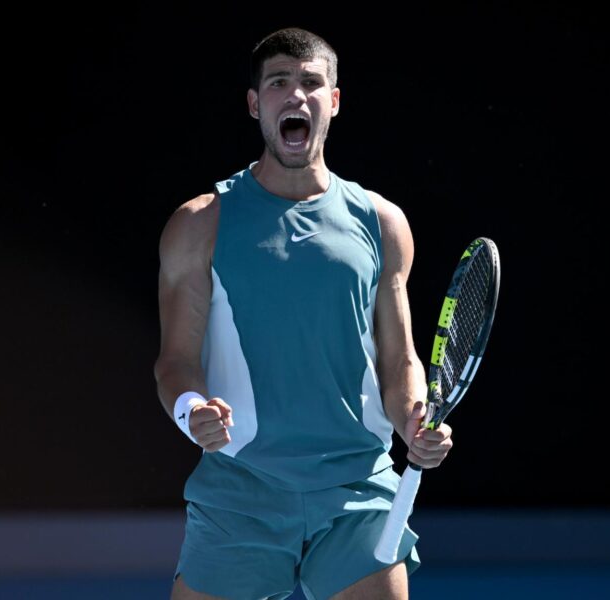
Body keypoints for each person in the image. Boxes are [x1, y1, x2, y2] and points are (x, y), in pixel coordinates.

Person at [155, 27, 453, 600]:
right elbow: (174, 361)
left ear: (334, 102)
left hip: (357, 488)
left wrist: (414, 420)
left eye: (312, 83)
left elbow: (399, 361)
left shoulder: (383, 223)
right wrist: (193, 409)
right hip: (240, 491)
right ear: (254, 103)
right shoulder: (199, 223)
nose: (296, 96)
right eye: (278, 83)